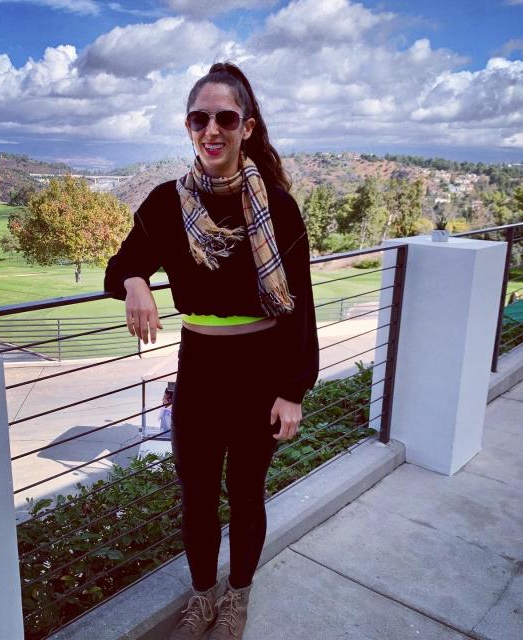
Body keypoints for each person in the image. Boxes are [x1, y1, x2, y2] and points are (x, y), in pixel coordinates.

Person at [104, 61, 319, 640]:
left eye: (226, 117)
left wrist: (292, 389)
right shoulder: (165, 204)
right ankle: (203, 597)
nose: (212, 129)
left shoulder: (277, 205)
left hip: (260, 369)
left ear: (247, 126)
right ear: (188, 126)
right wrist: (135, 284)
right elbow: (121, 264)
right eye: (200, 118)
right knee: (197, 498)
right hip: (198, 368)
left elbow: (298, 302)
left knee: (245, 496)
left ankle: (238, 597)